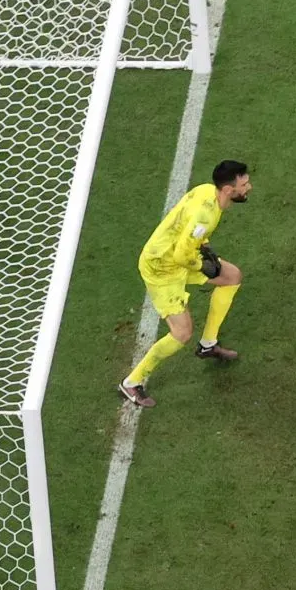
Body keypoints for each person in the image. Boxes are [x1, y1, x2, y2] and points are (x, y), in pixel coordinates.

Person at [118, 160, 251, 408]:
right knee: (182, 333)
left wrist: (204, 246)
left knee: (232, 276)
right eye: (243, 185)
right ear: (227, 189)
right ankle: (131, 382)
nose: (248, 188)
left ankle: (208, 345)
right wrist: (202, 265)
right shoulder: (206, 216)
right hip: (162, 268)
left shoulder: (206, 191)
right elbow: (181, 255)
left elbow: (184, 226)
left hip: (177, 256)